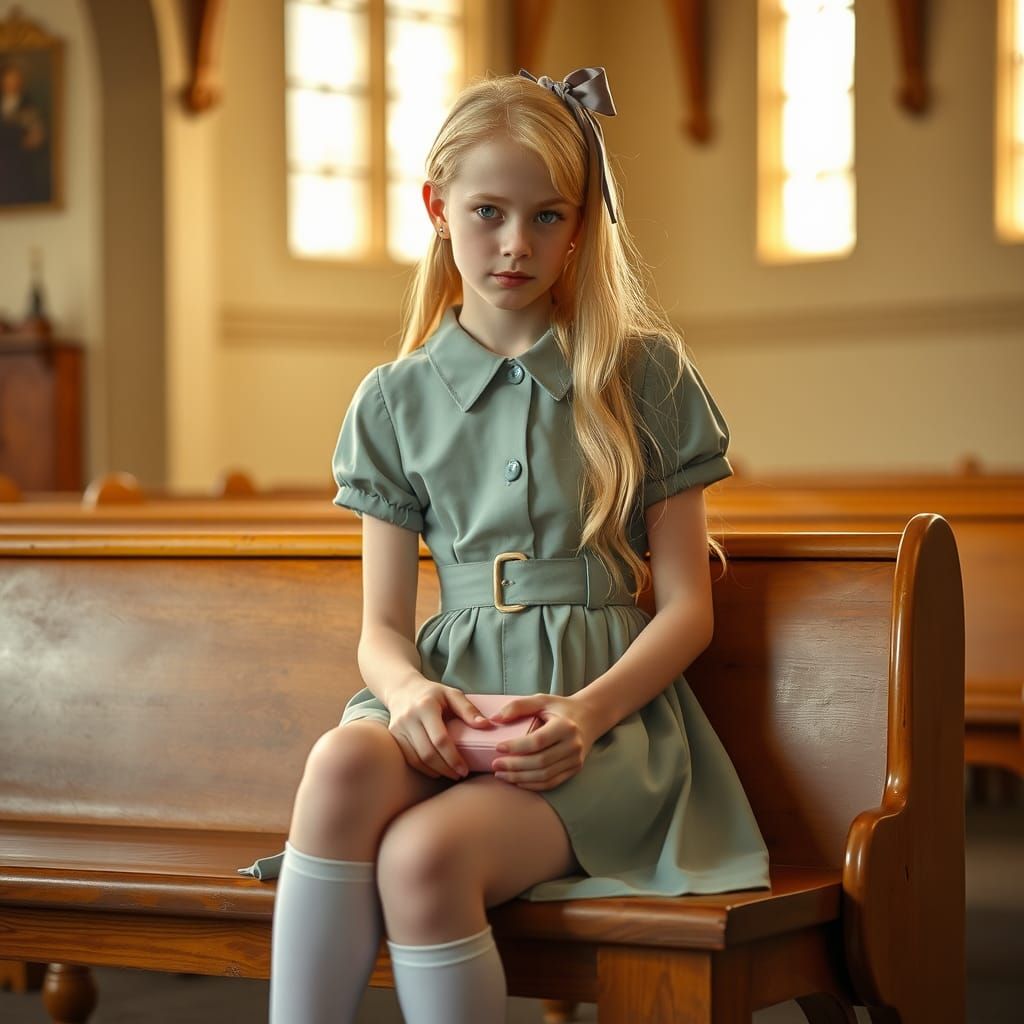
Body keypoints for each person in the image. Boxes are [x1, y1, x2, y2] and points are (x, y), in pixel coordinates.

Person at [245, 65, 770, 1024]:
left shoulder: (642, 374)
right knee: (341, 764)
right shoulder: (392, 401)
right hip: (455, 700)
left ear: (580, 227)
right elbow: (381, 631)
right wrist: (406, 696)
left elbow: (689, 610)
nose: (515, 244)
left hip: (600, 728)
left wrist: (585, 714)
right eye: (488, 211)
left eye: (546, 217)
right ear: (437, 207)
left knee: (423, 858)